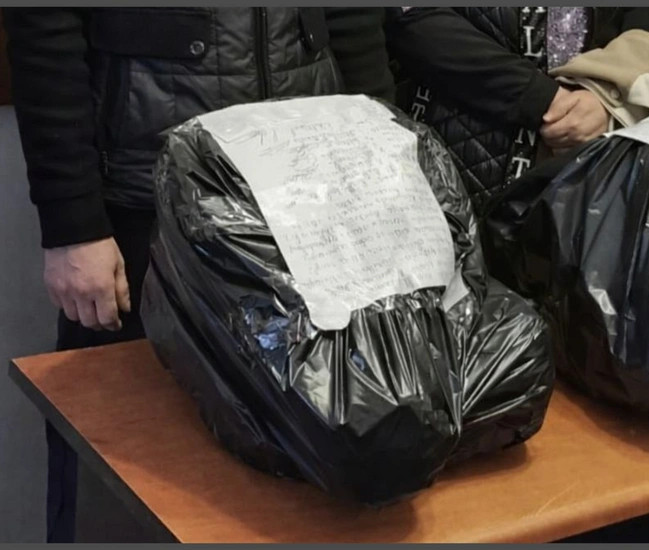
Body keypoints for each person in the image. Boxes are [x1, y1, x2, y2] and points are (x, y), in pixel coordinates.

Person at [3, 7, 393, 542]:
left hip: (302, 199)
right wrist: (73, 225)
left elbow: (353, 20)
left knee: (281, 471)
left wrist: (383, 170)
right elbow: (44, 35)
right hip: (146, 205)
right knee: (120, 476)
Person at [386, 7, 649, 213]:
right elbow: (412, 20)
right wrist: (543, 99)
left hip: (594, 149)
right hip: (456, 141)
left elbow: (647, 21)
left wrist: (607, 94)